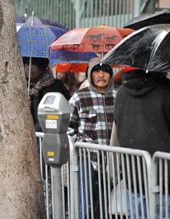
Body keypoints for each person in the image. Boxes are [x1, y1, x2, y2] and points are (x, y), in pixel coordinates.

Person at [110, 69, 170, 218]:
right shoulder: (169, 92)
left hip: (133, 175)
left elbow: (119, 129)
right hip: (165, 176)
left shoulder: (122, 93)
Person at [68, 58, 116, 218]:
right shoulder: (79, 97)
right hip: (87, 159)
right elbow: (68, 129)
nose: (101, 75)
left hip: (113, 162)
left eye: (105, 71)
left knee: (108, 206)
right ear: (90, 74)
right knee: (85, 205)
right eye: (96, 71)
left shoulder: (119, 96)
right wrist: (81, 145)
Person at [23, 57, 70, 131]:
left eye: (34, 64)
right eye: (27, 64)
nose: (29, 68)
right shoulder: (20, 86)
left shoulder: (56, 85)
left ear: (42, 68)